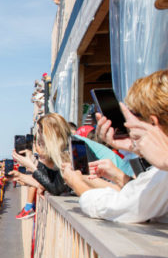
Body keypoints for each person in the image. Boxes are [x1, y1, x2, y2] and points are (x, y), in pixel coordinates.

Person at [62, 69, 168, 223]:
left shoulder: (163, 173)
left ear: (153, 122)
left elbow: (121, 207)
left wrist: (76, 182)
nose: (127, 124)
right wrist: (121, 170)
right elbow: (142, 194)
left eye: (133, 114)